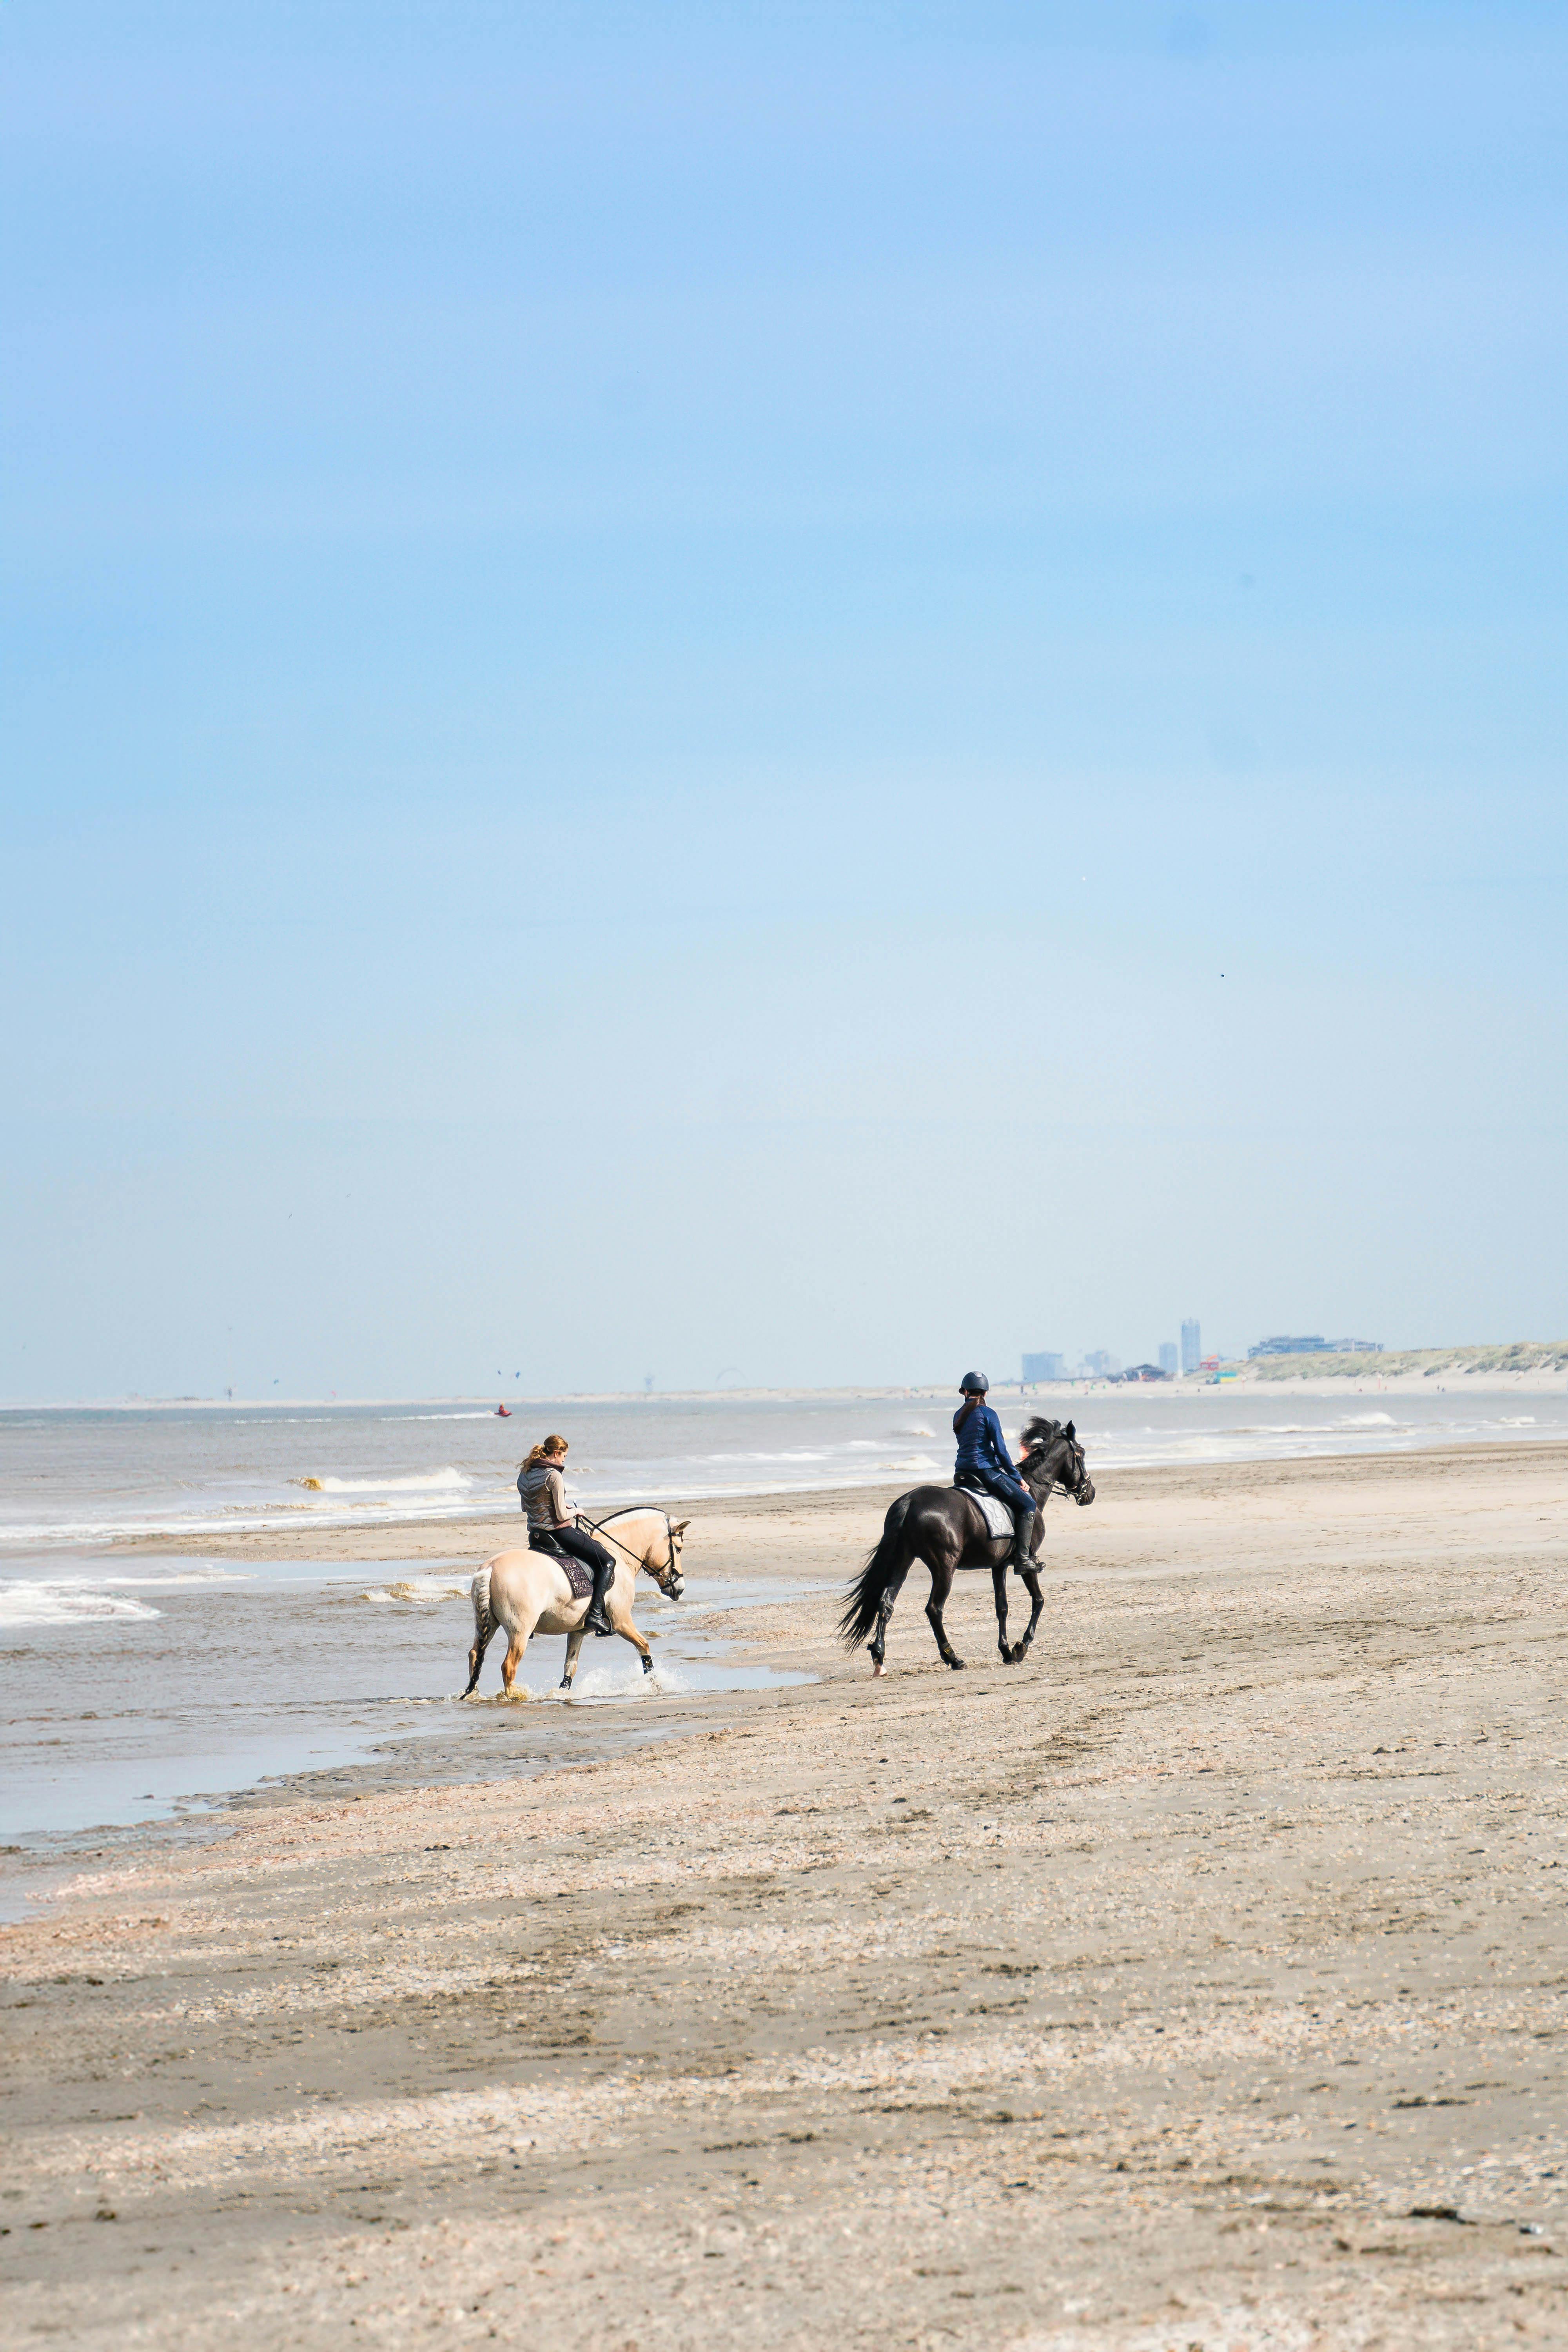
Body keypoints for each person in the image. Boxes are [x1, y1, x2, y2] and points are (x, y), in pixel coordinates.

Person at [516, 1435, 616, 1637]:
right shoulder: (554, 1476)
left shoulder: (524, 1474)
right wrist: (577, 1512)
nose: (564, 1460)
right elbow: (561, 1516)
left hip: (536, 1536)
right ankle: (595, 1615)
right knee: (607, 1562)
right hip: (558, 1533)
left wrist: (558, 1506)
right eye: (564, 1456)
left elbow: (525, 1507)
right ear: (556, 1453)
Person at [952, 1370, 1036, 1573]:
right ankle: (1023, 1558)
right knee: (1028, 1505)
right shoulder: (989, 1414)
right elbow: (1001, 1450)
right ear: (986, 1393)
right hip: (985, 1472)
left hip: (961, 1472)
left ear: (965, 1392)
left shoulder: (959, 1414)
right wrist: (1017, 1478)